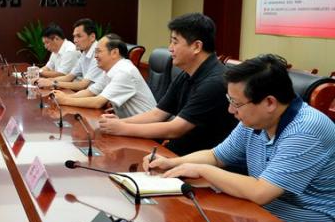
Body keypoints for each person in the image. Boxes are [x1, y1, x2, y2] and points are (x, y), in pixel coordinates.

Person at [145, 55, 335, 222]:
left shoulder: (306, 129)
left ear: (269, 102)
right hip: (264, 207)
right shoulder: (257, 120)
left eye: (236, 103)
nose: (231, 110)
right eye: (230, 101)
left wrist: (202, 170)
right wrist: (172, 163)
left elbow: (261, 192)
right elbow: (216, 156)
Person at [98, 13, 236, 155]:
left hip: (198, 159)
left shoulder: (214, 82)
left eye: (175, 42)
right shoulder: (187, 73)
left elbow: (176, 129)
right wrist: (120, 123)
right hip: (178, 151)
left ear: (196, 46)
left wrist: (122, 128)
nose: (170, 48)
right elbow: (157, 114)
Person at [52, 33, 156, 118]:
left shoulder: (124, 71)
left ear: (114, 53)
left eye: (99, 52)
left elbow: (98, 102)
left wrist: (65, 100)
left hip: (147, 128)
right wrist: (64, 97)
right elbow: (90, 92)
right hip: (128, 123)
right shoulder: (109, 70)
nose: (95, 56)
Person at [37, 18, 105, 92]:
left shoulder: (99, 53)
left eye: (79, 36)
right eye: (74, 36)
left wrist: (53, 83)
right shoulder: (85, 52)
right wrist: (46, 81)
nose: (75, 40)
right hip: (86, 92)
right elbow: (69, 77)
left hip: (97, 95)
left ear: (92, 37)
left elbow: (83, 85)